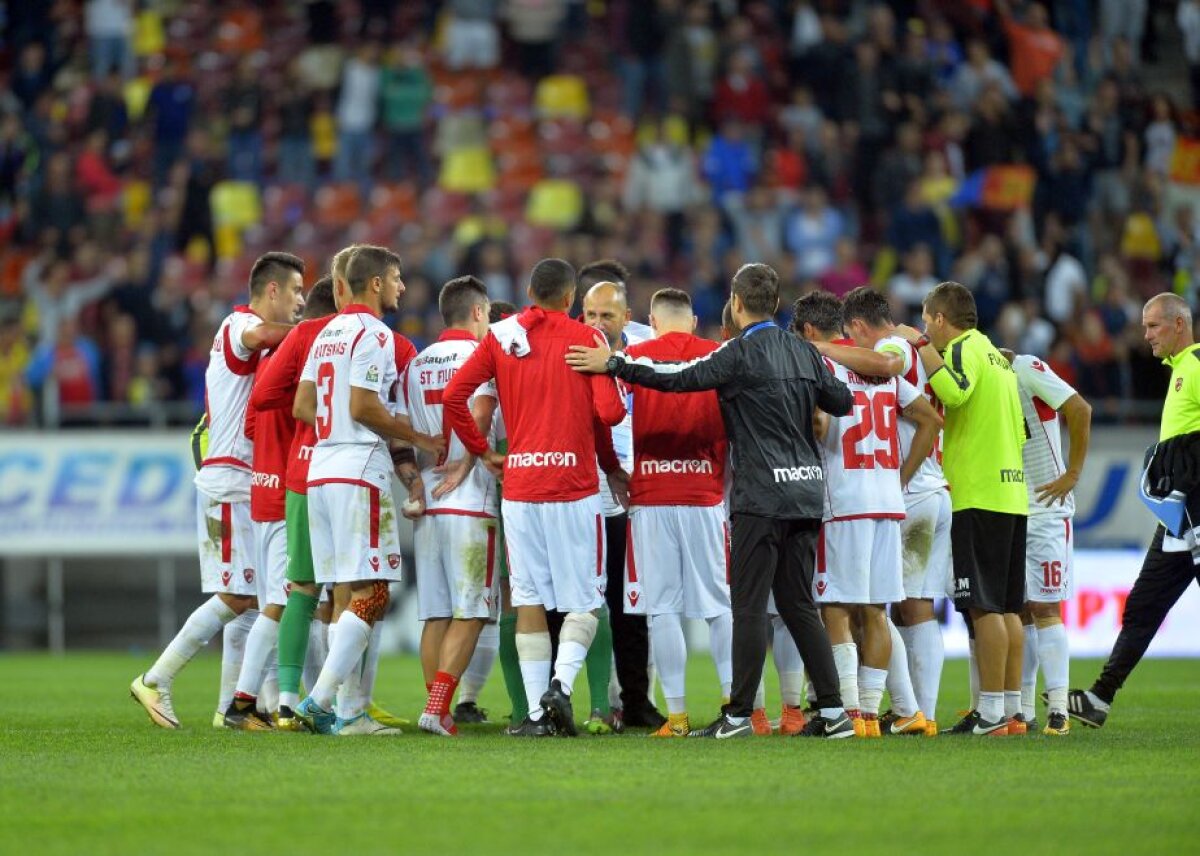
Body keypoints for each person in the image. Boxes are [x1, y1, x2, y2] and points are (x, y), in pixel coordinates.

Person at [567, 263, 856, 739]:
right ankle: (833, 711)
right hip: (807, 490)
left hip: (761, 496)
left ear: (736, 304)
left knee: (745, 606)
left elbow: (679, 378)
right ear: (778, 304)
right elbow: (842, 401)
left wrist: (615, 364)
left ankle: (738, 714)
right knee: (800, 605)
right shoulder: (803, 352)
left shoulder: (738, 353)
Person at [442, 258, 627, 737]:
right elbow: (608, 414)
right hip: (573, 489)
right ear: (571, 299)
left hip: (520, 490)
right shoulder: (587, 339)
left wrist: (483, 451)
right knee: (583, 601)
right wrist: (604, 369)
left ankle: (535, 715)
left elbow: (454, 398)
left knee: (527, 601)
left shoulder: (500, 336)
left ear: (528, 289)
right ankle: (560, 690)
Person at [130, 252, 305, 729]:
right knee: (237, 596)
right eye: (295, 292)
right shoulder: (237, 325)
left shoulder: (265, 342)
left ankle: (231, 707)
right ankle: (156, 678)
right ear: (272, 290)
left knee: (249, 597)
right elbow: (263, 335)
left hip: (247, 481)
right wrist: (321, 331)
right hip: (228, 480)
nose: (300, 303)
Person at [291, 246, 444, 735]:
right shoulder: (374, 334)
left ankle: (351, 712)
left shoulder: (327, 332)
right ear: (375, 284)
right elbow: (362, 406)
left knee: (345, 593)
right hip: (358, 471)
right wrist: (420, 438)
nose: (402, 287)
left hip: (320, 470)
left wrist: (332, 427)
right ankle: (319, 701)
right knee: (375, 592)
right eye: (396, 279)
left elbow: (302, 404)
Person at [793, 291, 940, 738]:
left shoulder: (826, 365)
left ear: (809, 333)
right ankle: (872, 716)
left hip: (844, 501)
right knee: (876, 611)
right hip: (887, 501)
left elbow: (819, 426)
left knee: (835, 609)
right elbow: (931, 419)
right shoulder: (881, 366)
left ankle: (849, 711)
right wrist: (900, 477)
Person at [892, 281, 1029, 736]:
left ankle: (990, 714)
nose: (926, 330)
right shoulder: (998, 358)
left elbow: (954, 393)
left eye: (928, 323)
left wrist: (922, 347)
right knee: (1008, 610)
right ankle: (1010, 710)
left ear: (939, 319)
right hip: (1011, 495)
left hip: (980, 494)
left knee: (984, 609)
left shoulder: (965, 350)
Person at [1067, 294, 1200, 728]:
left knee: (1144, 606)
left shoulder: (1196, 367)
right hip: (1178, 518)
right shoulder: (1182, 370)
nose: (1145, 335)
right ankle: (1100, 697)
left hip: (1196, 513)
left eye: (1153, 326)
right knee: (1143, 605)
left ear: (1179, 324)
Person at [222, 279, 338, 731]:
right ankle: (245, 702)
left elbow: (252, 424)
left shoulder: (272, 364)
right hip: (291, 487)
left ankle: (270, 699)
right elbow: (294, 416)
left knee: (279, 600)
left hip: (264, 489)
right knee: (284, 602)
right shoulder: (309, 355)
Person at [622, 288, 733, 738]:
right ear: (692, 320)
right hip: (704, 494)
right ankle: (733, 707)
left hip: (651, 494)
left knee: (662, 610)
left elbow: (613, 413)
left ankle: (679, 717)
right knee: (719, 605)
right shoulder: (717, 355)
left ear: (652, 320)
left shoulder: (634, 356)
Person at [399, 276, 500, 737]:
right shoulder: (482, 359)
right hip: (470, 500)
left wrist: (415, 480)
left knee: (436, 612)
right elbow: (480, 414)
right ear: (479, 313)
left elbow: (401, 430)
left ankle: (432, 709)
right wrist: (472, 457)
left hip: (429, 504)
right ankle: (438, 706)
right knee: (474, 611)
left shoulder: (416, 365)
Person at [581, 277, 665, 730]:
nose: (597, 323)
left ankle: (635, 699)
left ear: (626, 318)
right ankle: (569, 699)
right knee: (581, 603)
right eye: (590, 314)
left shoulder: (645, 357)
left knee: (633, 603)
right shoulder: (573, 354)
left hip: (640, 492)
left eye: (606, 315)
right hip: (587, 491)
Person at [999, 348, 1092, 737]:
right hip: (1010, 505)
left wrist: (1072, 473)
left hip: (1047, 507)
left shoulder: (1024, 367)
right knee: (1018, 609)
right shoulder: (985, 382)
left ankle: (1058, 709)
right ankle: (1022, 709)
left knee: (1044, 604)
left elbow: (1080, 409)